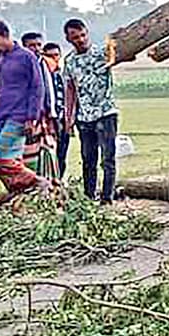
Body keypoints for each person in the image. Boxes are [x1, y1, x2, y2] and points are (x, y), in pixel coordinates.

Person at [0, 19, 48, 194]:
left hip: (19, 116)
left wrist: (32, 117)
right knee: (12, 159)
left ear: (6, 36)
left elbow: (37, 87)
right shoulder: (2, 58)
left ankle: (38, 181)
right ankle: (21, 194)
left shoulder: (27, 56)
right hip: (2, 114)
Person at [64, 19, 119, 204]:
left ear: (87, 33)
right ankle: (88, 199)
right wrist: (69, 117)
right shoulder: (69, 61)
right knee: (88, 160)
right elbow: (70, 89)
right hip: (84, 117)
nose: (80, 40)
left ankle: (107, 199)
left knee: (108, 159)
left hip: (105, 112)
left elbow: (125, 55)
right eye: (75, 37)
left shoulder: (102, 53)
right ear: (68, 39)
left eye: (82, 35)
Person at [20, 31, 59, 178]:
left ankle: (50, 183)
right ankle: (31, 184)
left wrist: (54, 112)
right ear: (24, 47)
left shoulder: (46, 63)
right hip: (29, 116)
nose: (36, 49)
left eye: (38, 45)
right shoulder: (21, 66)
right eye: (31, 46)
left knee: (49, 150)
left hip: (46, 117)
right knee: (29, 152)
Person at [42, 42, 69, 177]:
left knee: (62, 153)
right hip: (50, 120)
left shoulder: (63, 74)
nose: (53, 58)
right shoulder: (42, 75)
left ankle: (60, 181)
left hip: (64, 119)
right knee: (49, 154)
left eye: (56, 55)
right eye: (49, 56)